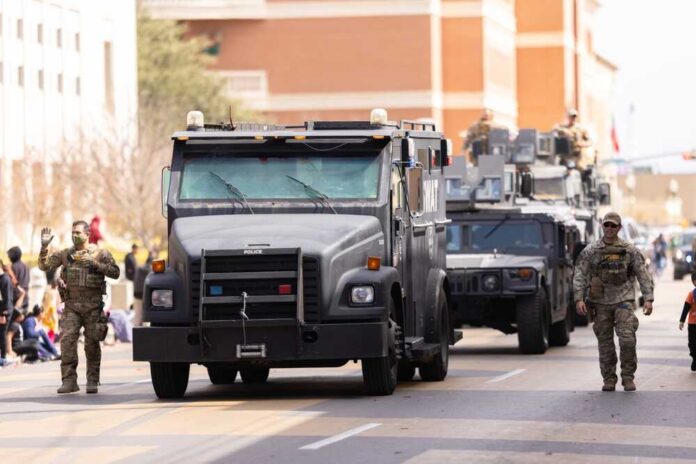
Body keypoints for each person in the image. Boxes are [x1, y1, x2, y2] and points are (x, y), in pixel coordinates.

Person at [574, 212, 654, 392]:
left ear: (619, 228)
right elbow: (580, 274)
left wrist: (648, 298)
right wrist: (579, 298)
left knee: (627, 339)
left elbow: (643, 274)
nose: (609, 229)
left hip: (623, 299)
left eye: (613, 226)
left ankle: (627, 377)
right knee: (605, 343)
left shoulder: (629, 250)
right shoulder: (591, 251)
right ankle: (609, 378)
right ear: (602, 226)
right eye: (606, 225)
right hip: (600, 302)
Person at [38, 220, 120, 394]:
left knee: (91, 344)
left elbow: (115, 272)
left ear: (87, 234)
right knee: (67, 342)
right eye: (73, 232)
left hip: (93, 307)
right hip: (71, 307)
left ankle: (92, 380)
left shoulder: (100, 253)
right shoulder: (65, 254)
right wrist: (45, 247)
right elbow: (44, 266)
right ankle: (69, 381)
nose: (74, 236)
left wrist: (95, 264)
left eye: (78, 233)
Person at [678, 271, 696, 371]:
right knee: (692, 343)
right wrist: (682, 321)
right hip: (692, 324)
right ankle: (694, 358)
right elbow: (686, 308)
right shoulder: (691, 294)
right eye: (694, 280)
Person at [0, 260, 16, 366]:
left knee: (2, 333)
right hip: (3, 310)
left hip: (5, 311)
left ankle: (3, 357)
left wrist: (3, 313)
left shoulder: (4, 279)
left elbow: (7, 298)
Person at [7, 246, 30, 311]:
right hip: (25, 297)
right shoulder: (26, 266)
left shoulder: (13, 267)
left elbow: (12, 282)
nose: (9, 258)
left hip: (17, 299)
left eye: (9, 256)